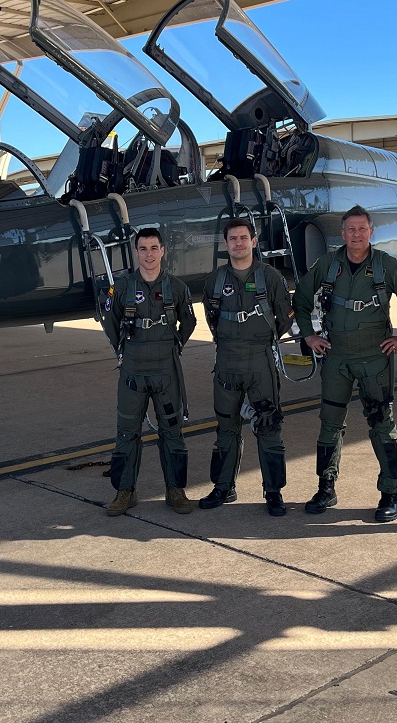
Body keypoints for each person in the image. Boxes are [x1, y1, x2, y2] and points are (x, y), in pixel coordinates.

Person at [294, 205, 397, 522]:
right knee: (329, 425)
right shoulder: (326, 265)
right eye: (350, 229)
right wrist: (310, 336)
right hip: (336, 358)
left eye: (362, 229)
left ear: (371, 232)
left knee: (382, 426)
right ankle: (326, 488)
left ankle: (389, 494)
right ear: (342, 234)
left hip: (374, 358)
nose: (356, 234)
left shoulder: (387, 267)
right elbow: (300, 299)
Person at [200, 217, 294, 517]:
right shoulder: (215, 280)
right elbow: (211, 317)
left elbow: (285, 318)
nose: (238, 243)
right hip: (227, 361)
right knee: (226, 427)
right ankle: (223, 487)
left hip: (259, 361)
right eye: (232, 239)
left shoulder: (271, 278)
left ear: (254, 242)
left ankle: (274, 491)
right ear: (226, 244)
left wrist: (260, 339)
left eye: (243, 238)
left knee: (268, 426)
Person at [103, 227, 196, 517]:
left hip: (165, 371)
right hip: (132, 371)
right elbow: (110, 321)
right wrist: (124, 348)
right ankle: (125, 492)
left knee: (172, 432)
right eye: (143, 249)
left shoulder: (177, 288)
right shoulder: (121, 287)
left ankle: (175, 490)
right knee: (127, 433)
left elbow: (189, 323)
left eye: (154, 248)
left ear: (162, 251)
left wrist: (172, 345)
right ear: (136, 252)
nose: (149, 254)